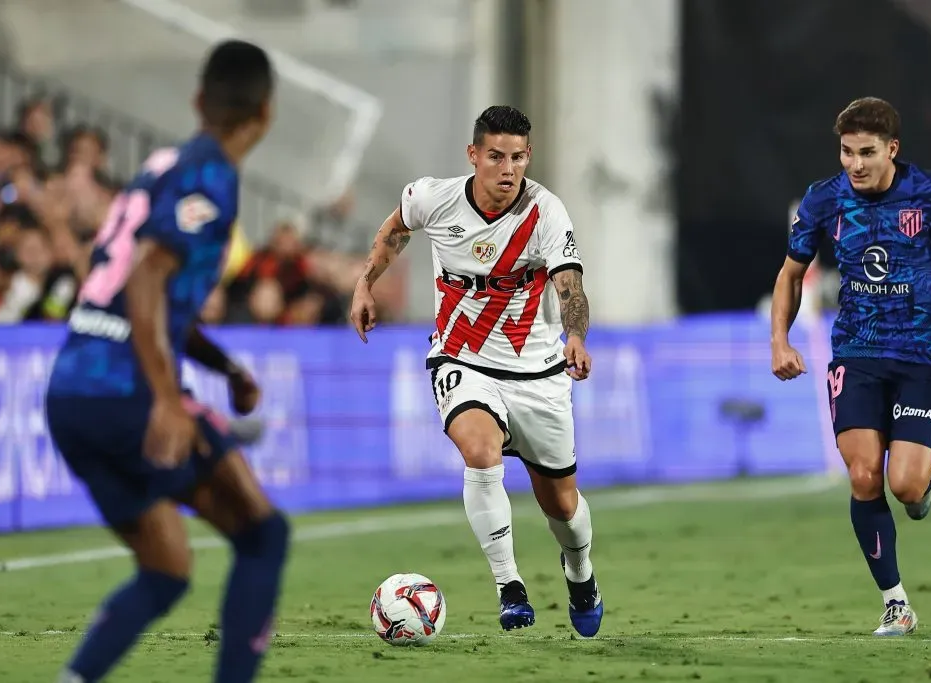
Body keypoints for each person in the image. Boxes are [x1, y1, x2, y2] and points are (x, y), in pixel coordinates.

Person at [45, 40, 290, 682]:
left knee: (167, 569)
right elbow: (148, 277)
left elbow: (137, 284)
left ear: (197, 102)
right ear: (265, 113)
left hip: (71, 392)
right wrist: (164, 397)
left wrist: (227, 370)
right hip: (126, 392)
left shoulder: (161, 165)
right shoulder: (212, 175)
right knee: (264, 536)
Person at [349, 105, 603, 637]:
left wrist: (575, 335)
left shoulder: (545, 213)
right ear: (473, 156)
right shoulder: (434, 198)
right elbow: (395, 228)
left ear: (527, 157)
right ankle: (509, 587)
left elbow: (569, 287)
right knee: (479, 451)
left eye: (517, 157)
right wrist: (365, 282)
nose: (508, 169)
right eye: (495, 157)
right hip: (460, 359)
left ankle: (580, 571)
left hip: (537, 372)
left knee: (562, 505)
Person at [770, 97, 931, 636]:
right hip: (857, 352)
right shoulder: (824, 200)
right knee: (863, 474)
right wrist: (779, 341)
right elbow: (789, 274)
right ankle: (896, 604)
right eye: (847, 152)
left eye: (867, 152)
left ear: (892, 149)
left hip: (922, 356)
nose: (855, 163)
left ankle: (922, 487)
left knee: (907, 487)